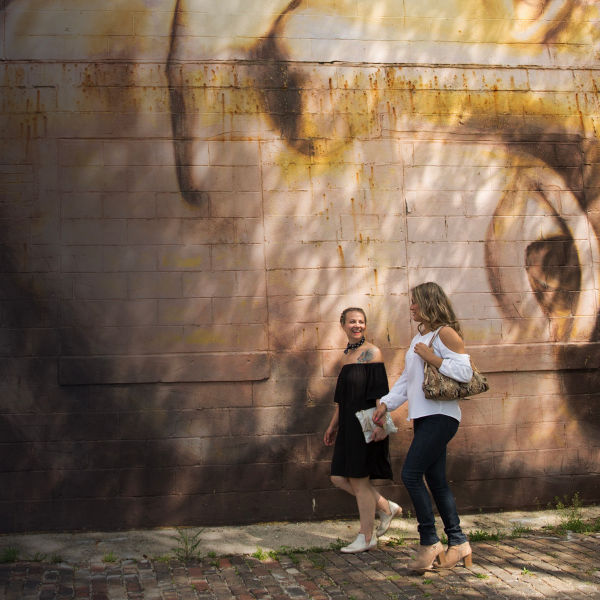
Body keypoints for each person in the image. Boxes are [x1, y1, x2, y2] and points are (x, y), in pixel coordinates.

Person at [373, 282, 474, 571]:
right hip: (424, 417)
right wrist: (386, 404)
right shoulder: (423, 336)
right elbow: (407, 380)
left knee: (411, 474)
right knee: (437, 481)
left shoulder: (445, 334)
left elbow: (465, 372)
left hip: (442, 416)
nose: (412, 307)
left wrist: (433, 358)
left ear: (430, 302)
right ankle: (458, 542)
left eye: (415, 302)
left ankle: (429, 541)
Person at [324, 307, 401, 553]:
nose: (357, 325)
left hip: (364, 425)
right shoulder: (346, 356)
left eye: (361, 322)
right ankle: (386, 507)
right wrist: (332, 426)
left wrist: (380, 425)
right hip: (346, 425)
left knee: (359, 481)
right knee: (338, 477)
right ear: (343, 325)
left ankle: (366, 536)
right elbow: (342, 400)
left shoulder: (372, 352)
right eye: (352, 322)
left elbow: (379, 393)